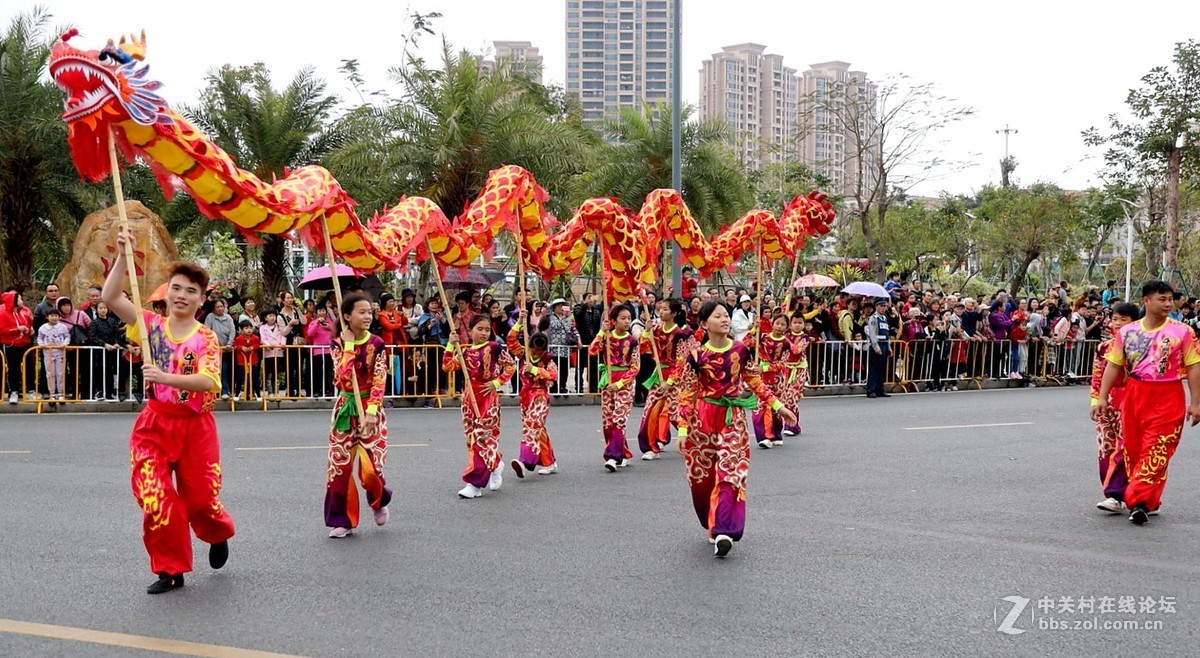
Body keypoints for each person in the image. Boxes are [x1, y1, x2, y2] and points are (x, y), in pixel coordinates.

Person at [101, 227, 234, 595]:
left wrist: (165, 376)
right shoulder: (151, 328)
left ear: (201, 299)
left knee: (201, 502)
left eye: (191, 291)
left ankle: (217, 533)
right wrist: (121, 258)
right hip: (154, 425)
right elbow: (112, 296)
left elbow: (209, 382)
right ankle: (170, 570)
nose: (182, 295)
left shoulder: (205, 338)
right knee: (156, 496)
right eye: (177, 288)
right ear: (167, 292)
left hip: (195, 428)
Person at [677, 301, 796, 558]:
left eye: (726, 315)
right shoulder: (696, 356)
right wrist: (683, 430)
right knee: (702, 480)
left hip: (733, 418)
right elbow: (686, 392)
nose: (724, 319)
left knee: (732, 471)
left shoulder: (741, 350)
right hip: (702, 419)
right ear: (704, 323)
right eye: (717, 316)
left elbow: (754, 380)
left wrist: (777, 405)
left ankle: (723, 530)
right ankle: (710, 521)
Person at [1094, 281, 1200, 526]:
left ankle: (1138, 501)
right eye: (1162, 299)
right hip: (1135, 393)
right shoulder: (1128, 332)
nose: (1168, 304)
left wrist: (1196, 402)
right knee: (1134, 449)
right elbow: (1113, 365)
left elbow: (1194, 366)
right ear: (1146, 301)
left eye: (1170, 299)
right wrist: (1101, 396)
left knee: (1158, 448)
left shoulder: (1183, 332)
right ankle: (1149, 500)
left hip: (1168, 393)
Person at [325, 292, 392, 538]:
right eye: (361, 312)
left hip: (370, 410)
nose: (367, 316)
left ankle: (379, 500)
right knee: (339, 467)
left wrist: (373, 411)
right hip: (345, 409)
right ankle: (342, 521)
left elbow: (379, 378)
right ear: (347, 316)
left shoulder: (377, 343)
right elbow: (341, 377)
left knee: (371, 468)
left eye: (369, 312)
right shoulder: (337, 344)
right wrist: (350, 345)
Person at [443, 314, 516, 499]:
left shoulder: (493, 347)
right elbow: (447, 366)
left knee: (481, 439)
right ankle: (496, 463)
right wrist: (451, 344)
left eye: (487, 329)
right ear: (470, 331)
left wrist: (497, 383)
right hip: (469, 399)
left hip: (487, 398)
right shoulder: (464, 352)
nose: (484, 333)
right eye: (479, 329)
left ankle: (474, 484)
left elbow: (511, 366)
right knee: (472, 440)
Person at [1090, 302, 1138, 514]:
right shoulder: (1103, 347)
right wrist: (1095, 401)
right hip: (1106, 402)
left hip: (1131, 402)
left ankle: (1123, 493)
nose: (1117, 323)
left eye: (1123, 319)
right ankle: (1112, 495)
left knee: (1125, 448)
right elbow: (1097, 376)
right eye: (1115, 319)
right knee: (1105, 448)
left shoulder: (1140, 347)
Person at [636, 298, 696, 460]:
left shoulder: (680, 335)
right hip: (658, 375)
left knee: (676, 414)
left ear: (674, 313)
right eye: (660, 309)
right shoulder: (656, 329)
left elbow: (681, 360)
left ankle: (694, 439)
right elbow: (643, 348)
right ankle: (650, 447)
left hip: (675, 378)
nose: (661, 312)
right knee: (649, 410)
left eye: (665, 309)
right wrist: (646, 332)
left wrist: (669, 382)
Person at [506, 315, 560, 477]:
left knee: (531, 427)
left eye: (539, 350)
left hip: (540, 398)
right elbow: (510, 339)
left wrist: (535, 370)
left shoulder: (548, 360)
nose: (535, 352)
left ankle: (525, 461)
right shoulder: (524, 354)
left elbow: (553, 376)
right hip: (526, 397)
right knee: (538, 430)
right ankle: (549, 461)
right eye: (533, 348)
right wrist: (519, 322)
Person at [589, 304, 639, 471]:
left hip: (624, 384)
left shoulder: (632, 341)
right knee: (608, 421)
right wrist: (602, 332)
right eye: (623, 318)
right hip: (608, 382)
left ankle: (613, 456)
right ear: (613, 321)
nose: (626, 321)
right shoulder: (607, 337)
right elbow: (592, 351)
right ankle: (623, 453)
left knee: (619, 419)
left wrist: (619, 384)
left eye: (628, 319)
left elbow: (635, 367)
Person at [747, 314, 790, 448]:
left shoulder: (786, 343)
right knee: (762, 405)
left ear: (786, 327)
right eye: (777, 323)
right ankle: (766, 437)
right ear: (772, 323)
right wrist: (754, 329)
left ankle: (777, 434)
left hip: (777, 378)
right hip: (761, 378)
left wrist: (764, 367)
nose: (779, 326)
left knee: (776, 407)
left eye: (783, 324)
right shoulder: (762, 337)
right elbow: (746, 342)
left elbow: (783, 363)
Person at [778, 314, 811, 437]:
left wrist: (785, 340)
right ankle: (793, 424)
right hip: (786, 369)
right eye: (795, 322)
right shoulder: (785, 335)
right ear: (790, 324)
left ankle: (791, 425)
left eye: (800, 322)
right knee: (785, 398)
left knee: (792, 397)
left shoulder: (805, 337)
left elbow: (796, 350)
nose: (797, 325)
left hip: (799, 370)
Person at [0, 289, 34, 403]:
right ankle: (13, 391)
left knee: (29, 367)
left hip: (25, 343)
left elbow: (28, 325)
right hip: (10, 345)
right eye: (19, 298)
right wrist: (17, 329)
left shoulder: (23, 313)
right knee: (12, 368)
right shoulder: (3, 314)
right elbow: (2, 330)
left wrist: (28, 330)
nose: (22, 300)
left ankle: (30, 390)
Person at [87, 301, 124, 401]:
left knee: (111, 371)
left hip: (112, 350)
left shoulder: (112, 321)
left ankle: (110, 392)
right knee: (100, 370)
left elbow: (117, 334)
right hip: (100, 351)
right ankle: (99, 392)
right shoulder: (94, 322)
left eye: (105, 308)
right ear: (96, 310)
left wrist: (116, 343)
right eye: (100, 308)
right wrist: (104, 344)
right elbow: (92, 336)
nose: (103, 310)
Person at [203, 298, 236, 399]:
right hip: (215, 350)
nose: (220, 309)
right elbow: (207, 331)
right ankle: (222, 391)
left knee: (229, 370)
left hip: (227, 349)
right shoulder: (210, 317)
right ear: (213, 309)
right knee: (222, 369)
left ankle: (230, 390)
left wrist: (229, 343)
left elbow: (232, 331)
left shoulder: (228, 318)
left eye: (221, 306)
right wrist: (213, 345)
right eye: (217, 307)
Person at [573, 293, 604, 393]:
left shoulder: (596, 311)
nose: (591, 300)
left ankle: (593, 387)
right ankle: (579, 386)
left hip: (593, 342)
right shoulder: (578, 308)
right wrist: (584, 305)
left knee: (593, 366)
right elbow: (578, 318)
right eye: (589, 298)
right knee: (580, 366)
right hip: (582, 342)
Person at [37, 307, 70, 401]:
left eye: (56, 316)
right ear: (47, 317)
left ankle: (60, 393)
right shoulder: (43, 328)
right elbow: (39, 338)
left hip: (60, 352)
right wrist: (41, 344)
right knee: (50, 374)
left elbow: (67, 336)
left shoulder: (63, 327)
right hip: (48, 353)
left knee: (60, 373)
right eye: (52, 316)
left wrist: (64, 344)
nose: (54, 318)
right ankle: (52, 393)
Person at [864, 298, 891, 398]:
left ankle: (880, 389)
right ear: (876, 307)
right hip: (877, 345)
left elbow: (887, 334)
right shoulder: (873, 318)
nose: (883, 308)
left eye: (885, 306)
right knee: (874, 369)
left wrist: (889, 348)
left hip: (884, 344)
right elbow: (872, 334)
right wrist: (876, 347)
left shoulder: (884, 318)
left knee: (881, 369)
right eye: (881, 306)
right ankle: (870, 389)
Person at [231, 320, 261, 400]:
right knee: (240, 377)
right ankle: (237, 393)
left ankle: (257, 393)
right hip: (241, 361)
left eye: (250, 328)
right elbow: (235, 345)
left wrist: (252, 347)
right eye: (246, 328)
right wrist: (241, 347)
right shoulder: (238, 338)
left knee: (255, 376)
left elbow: (258, 345)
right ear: (241, 330)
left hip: (253, 360)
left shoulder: (255, 338)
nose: (249, 330)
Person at [259, 308, 285, 396]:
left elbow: (283, 336)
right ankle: (270, 392)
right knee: (269, 373)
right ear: (266, 318)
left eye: (274, 316)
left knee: (277, 373)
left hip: (279, 352)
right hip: (268, 353)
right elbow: (263, 339)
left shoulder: (279, 326)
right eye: (270, 316)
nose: (272, 318)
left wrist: (282, 344)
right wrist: (268, 345)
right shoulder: (263, 327)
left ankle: (276, 392)